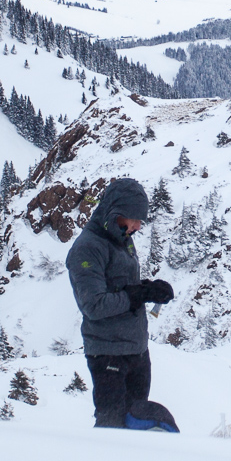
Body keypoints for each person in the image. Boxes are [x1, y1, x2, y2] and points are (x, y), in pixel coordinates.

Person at [68, 177, 176, 429]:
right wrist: (137, 295)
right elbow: (93, 305)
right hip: (108, 356)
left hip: (136, 351)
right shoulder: (87, 248)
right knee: (112, 430)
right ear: (116, 212)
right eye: (134, 218)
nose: (138, 226)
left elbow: (122, 286)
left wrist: (149, 289)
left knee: (135, 425)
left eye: (141, 220)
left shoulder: (122, 236)